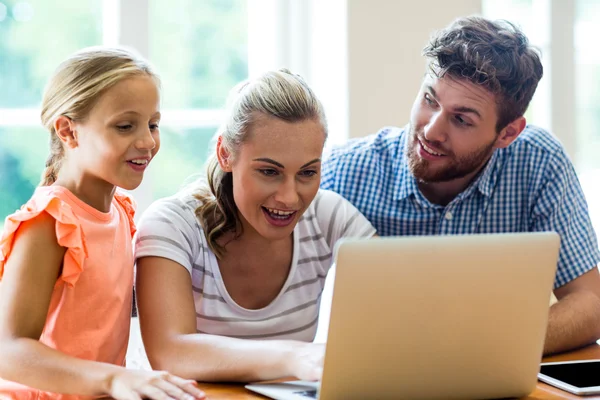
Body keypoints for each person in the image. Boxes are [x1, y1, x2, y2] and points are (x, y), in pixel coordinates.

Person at [321, 16, 600, 356]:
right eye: (430, 99)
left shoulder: (539, 163)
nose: (431, 130)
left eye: (461, 119)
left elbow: (590, 303)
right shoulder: (344, 171)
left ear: (507, 133)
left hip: (496, 375)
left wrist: (487, 349)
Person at [134, 69, 376, 383]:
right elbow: (170, 352)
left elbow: (396, 312)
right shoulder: (172, 224)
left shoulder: (329, 217)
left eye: (307, 173)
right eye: (269, 172)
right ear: (225, 154)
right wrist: (295, 356)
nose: (290, 198)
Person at [0, 47, 205, 400]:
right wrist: (114, 379)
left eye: (153, 124)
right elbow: (8, 349)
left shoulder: (121, 213)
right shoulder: (50, 222)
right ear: (68, 131)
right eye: (125, 126)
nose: (147, 141)